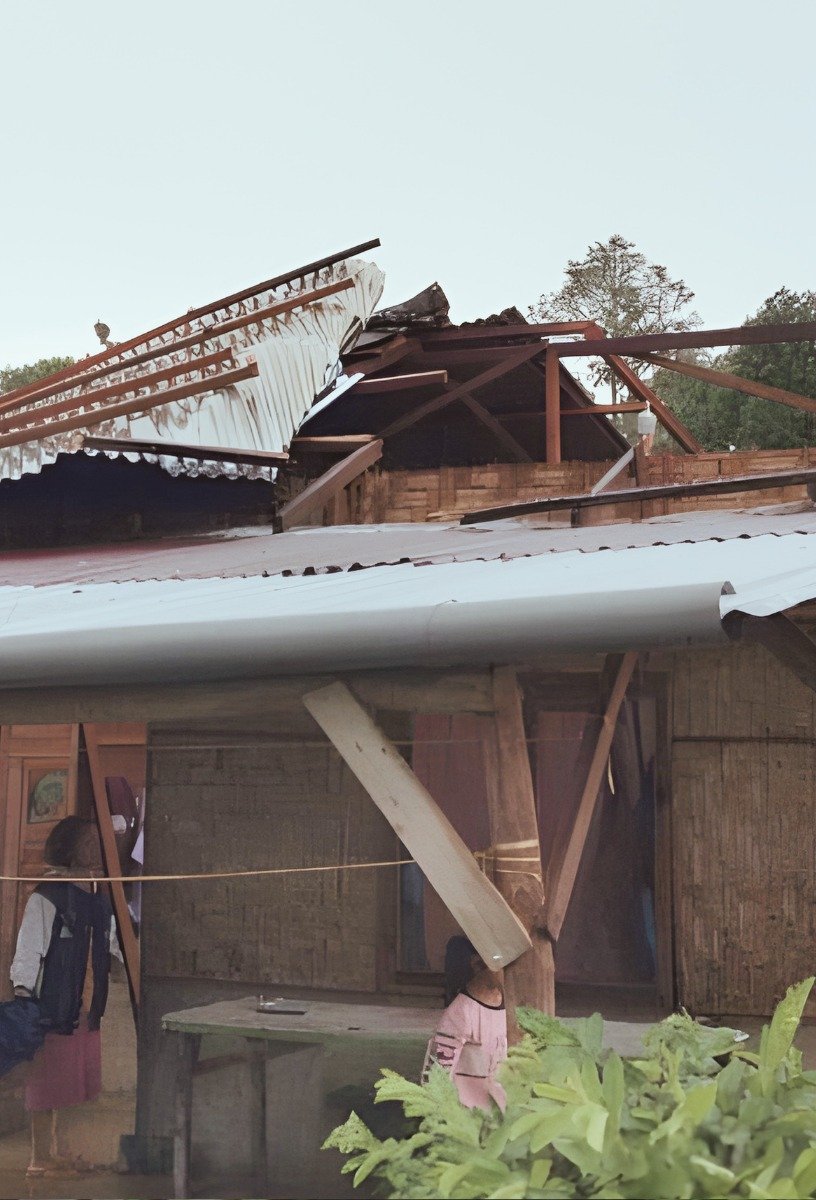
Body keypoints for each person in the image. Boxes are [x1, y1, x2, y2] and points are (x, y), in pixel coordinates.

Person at [10, 816, 120, 1175]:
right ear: (68, 848)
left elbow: (115, 945)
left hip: (85, 1005)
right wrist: (25, 999)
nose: (96, 847)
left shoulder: (99, 898)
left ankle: (59, 1152)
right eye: (88, 840)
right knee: (45, 1083)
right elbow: (29, 950)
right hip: (51, 1005)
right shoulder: (47, 896)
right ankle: (39, 1159)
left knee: (68, 1081)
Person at [423, 935, 508, 1110]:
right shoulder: (462, 1011)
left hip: (497, 1109)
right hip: (464, 1113)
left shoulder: (502, 1003)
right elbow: (437, 1074)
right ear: (478, 964)